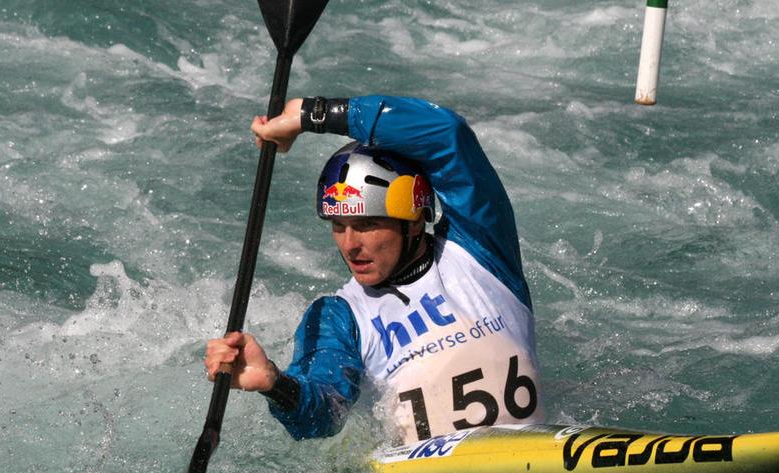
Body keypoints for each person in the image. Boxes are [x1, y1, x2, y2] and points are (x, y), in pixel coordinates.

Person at [204, 95, 544, 445]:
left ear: (412, 220)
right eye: (338, 224)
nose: (349, 244)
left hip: (534, 461)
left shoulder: (480, 251)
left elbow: (447, 134)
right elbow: (323, 414)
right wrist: (275, 384)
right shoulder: (339, 317)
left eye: (367, 224)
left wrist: (314, 115)